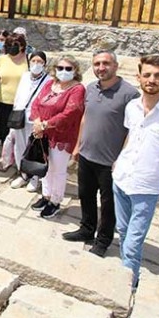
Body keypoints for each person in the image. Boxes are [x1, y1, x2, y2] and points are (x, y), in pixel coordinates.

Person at [112, 54, 159, 287]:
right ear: (139, 77)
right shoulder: (132, 107)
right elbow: (129, 138)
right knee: (123, 232)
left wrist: (156, 178)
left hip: (146, 189)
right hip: (122, 179)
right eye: (147, 75)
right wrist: (119, 161)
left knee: (134, 243)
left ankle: (127, 289)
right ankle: (125, 274)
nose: (152, 79)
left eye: (157, 75)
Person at [61, 50, 140, 257]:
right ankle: (86, 229)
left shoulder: (130, 94)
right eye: (97, 64)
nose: (101, 68)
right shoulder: (90, 88)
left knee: (108, 205)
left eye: (106, 63)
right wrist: (78, 145)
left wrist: (122, 158)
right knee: (85, 195)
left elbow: (134, 130)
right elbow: (85, 118)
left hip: (111, 161)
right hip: (87, 154)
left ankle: (103, 241)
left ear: (116, 66)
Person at [30, 55, 86, 219]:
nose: (63, 71)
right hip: (43, 134)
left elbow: (70, 113)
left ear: (75, 70)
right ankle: (46, 196)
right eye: (60, 68)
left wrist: (45, 124)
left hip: (62, 136)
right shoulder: (50, 84)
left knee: (58, 170)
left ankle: (55, 201)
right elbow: (36, 104)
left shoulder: (77, 89)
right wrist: (37, 122)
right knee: (45, 166)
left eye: (68, 69)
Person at [8, 51, 50, 190]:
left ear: (44, 64)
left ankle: (35, 177)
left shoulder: (48, 80)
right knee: (19, 145)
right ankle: (23, 174)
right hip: (20, 116)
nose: (36, 64)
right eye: (33, 61)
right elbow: (19, 94)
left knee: (33, 148)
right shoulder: (25, 76)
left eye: (40, 62)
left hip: (36, 120)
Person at [0, 33, 29, 155]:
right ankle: (1, 146)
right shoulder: (1, 60)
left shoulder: (28, 60)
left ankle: (17, 151)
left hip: (21, 102)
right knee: (2, 124)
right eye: (9, 44)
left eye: (16, 44)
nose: (12, 47)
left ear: (22, 46)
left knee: (17, 129)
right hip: (3, 100)